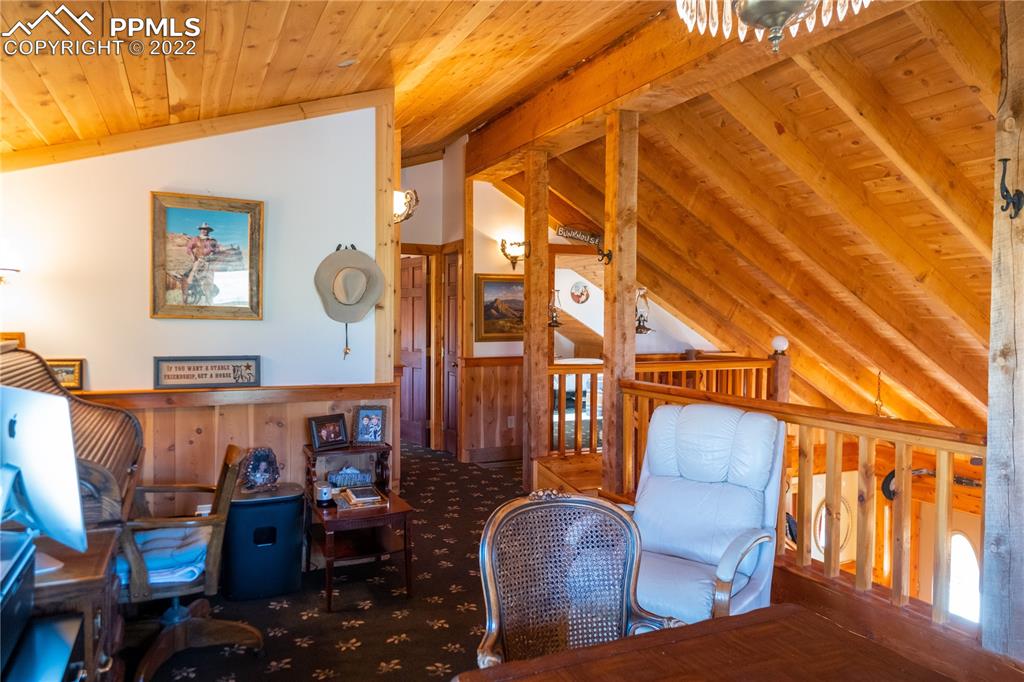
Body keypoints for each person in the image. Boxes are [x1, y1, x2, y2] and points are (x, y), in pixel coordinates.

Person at [180, 222, 220, 304]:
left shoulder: (212, 240)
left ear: (209, 231)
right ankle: (190, 288)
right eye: (203, 229)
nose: (204, 231)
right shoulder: (195, 239)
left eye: (206, 229)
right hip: (199, 260)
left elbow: (217, 250)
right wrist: (193, 257)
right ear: (200, 230)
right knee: (191, 273)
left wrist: (214, 253)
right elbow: (189, 248)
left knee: (211, 278)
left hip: (209, 262)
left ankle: (211, 294)